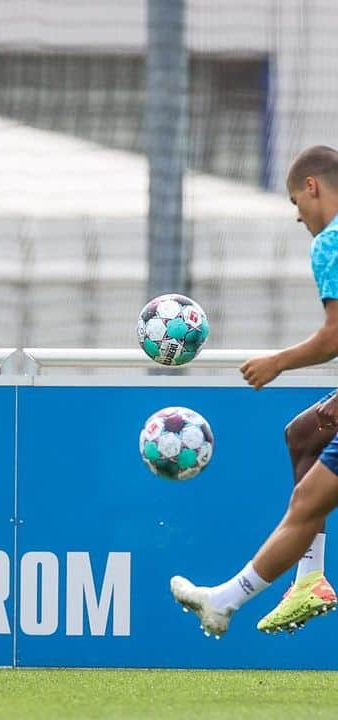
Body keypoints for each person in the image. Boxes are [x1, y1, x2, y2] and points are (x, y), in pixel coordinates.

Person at [172, 145, 338, 637]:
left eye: (294, 202)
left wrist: (277, 362)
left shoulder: (330, 242)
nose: (297, 216)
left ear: (312, 186)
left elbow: (334, 336)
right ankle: (309, 579)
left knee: (307, 503)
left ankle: (226, 601)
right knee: (304, 435)